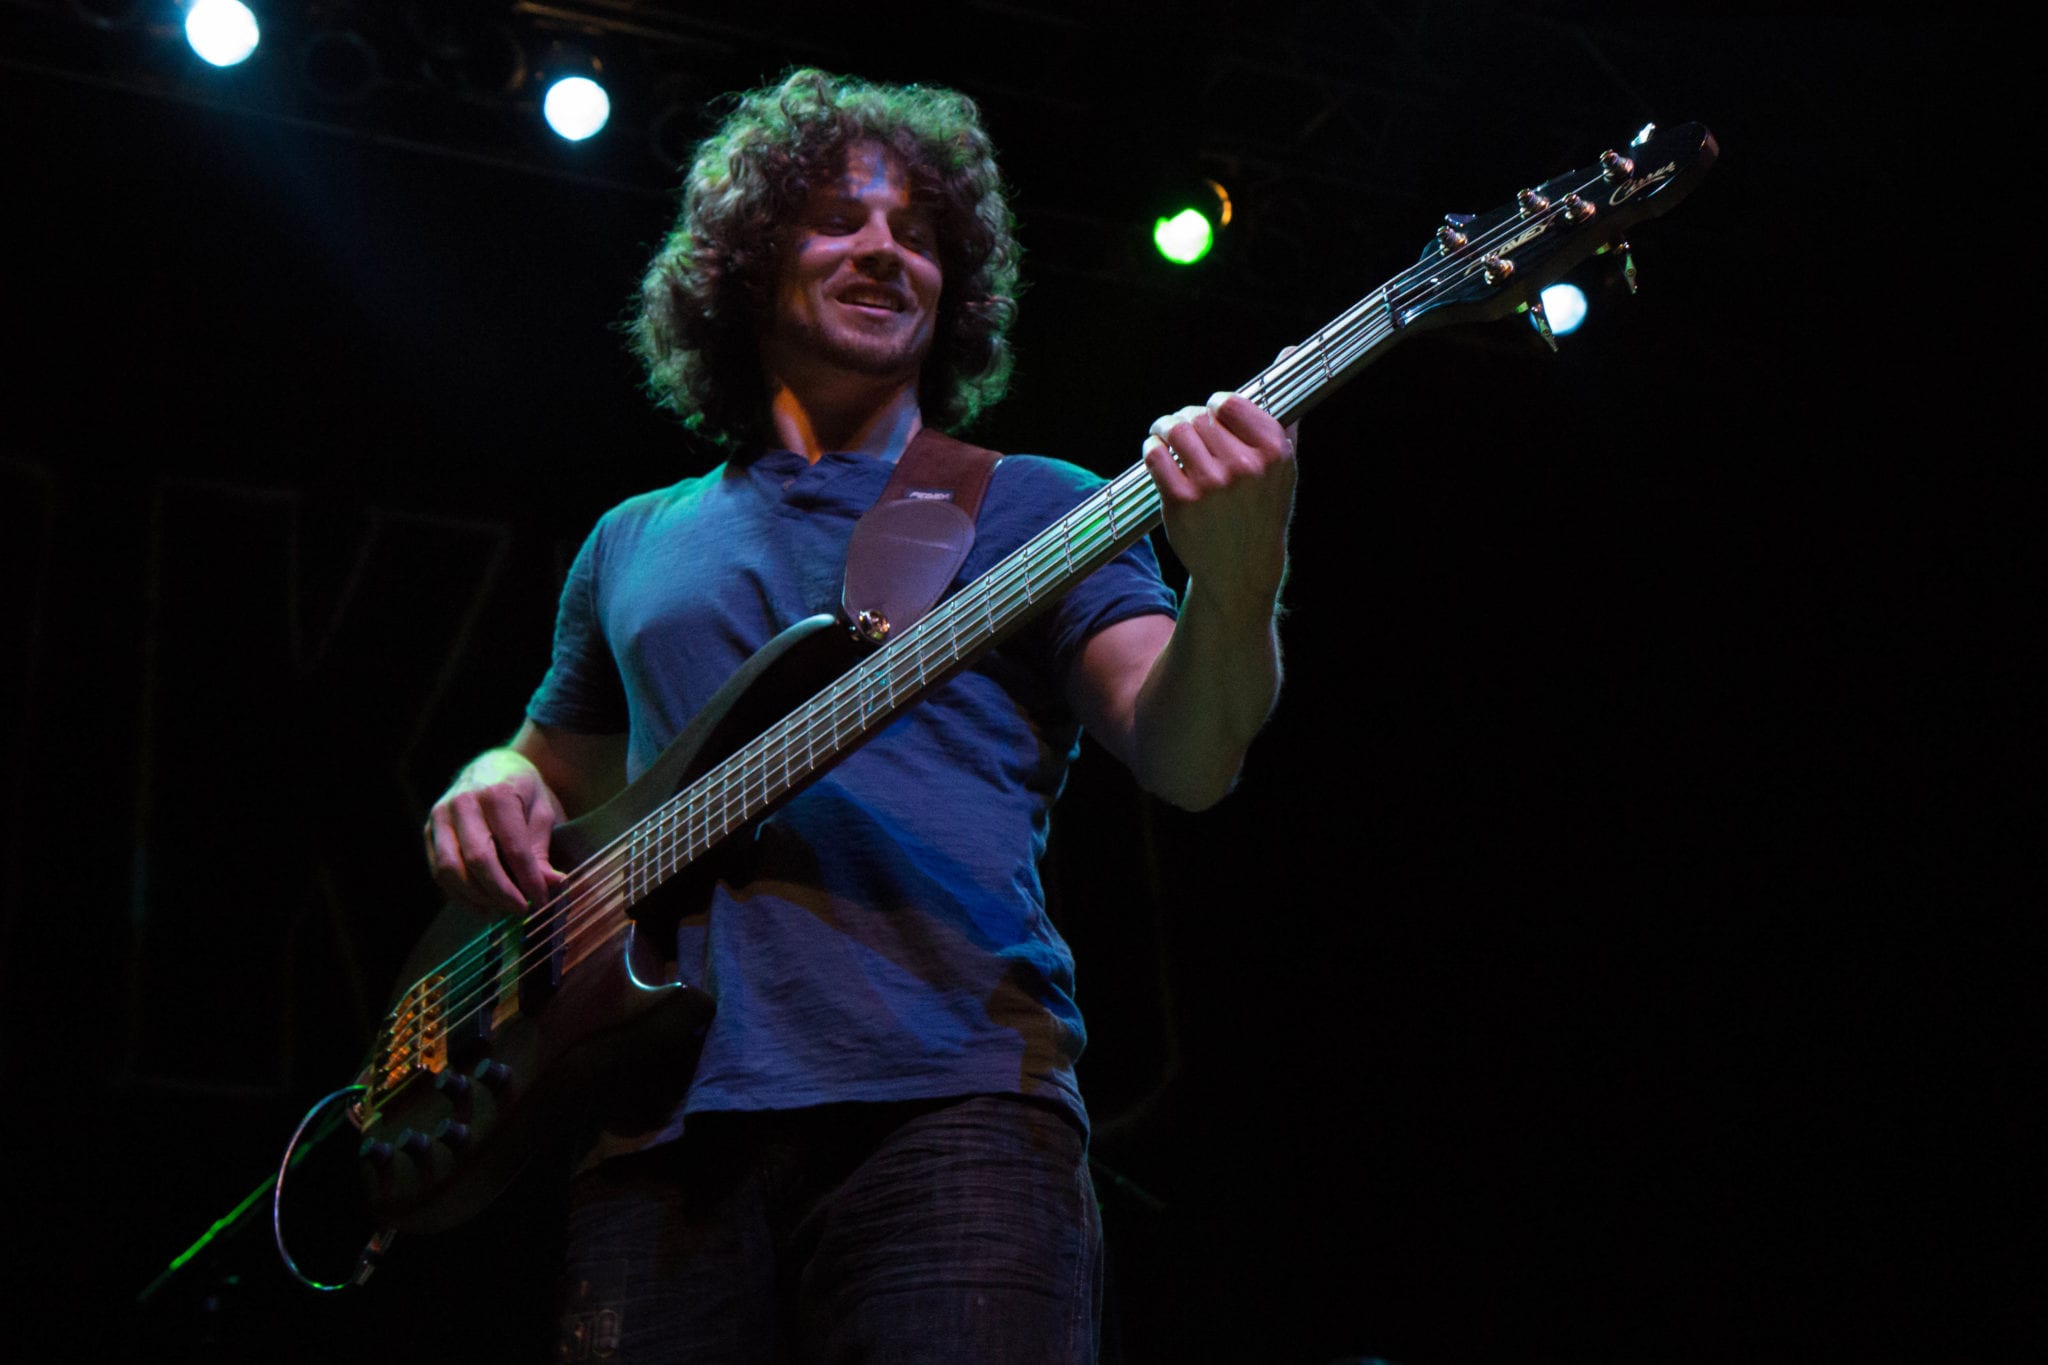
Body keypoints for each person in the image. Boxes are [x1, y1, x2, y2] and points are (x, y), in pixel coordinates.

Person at [422, 67, 1295, 1363]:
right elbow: (553, 771)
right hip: (649, 1134)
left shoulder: (1036, 504)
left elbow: (1191, 755)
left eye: (920, 231)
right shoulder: (629, 539)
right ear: (745, 263)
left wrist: (1240, 577)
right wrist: (489, 775)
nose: (887, 248)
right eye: (840, 218)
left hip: (950, 1114)